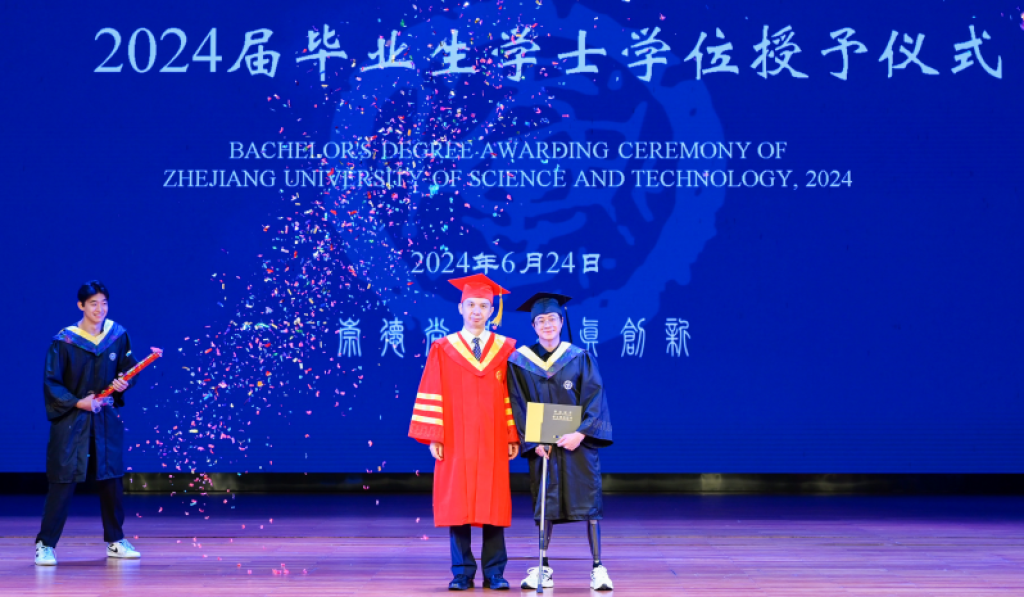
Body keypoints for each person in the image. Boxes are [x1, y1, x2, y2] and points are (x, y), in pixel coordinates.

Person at [408, 274, 520, 590]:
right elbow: (432, 391)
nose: (476, 311)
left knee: (493, 503)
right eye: (471, 305)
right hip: (456, 438)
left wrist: (512, 434)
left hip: (493, 438)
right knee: (458, 503)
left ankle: (495, 572)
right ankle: (462, 571)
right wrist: (435, 435)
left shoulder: (506, 349)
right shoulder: (443, 348)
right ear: (460, 308)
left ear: (492, 310)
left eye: (483, 305)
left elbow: (511, 396)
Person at [506, 293, 614, 591]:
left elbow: (595, 398)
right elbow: (518, 403)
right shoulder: (519, 362)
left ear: (561, 321)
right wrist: (532, 442)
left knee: (589, 505)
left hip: (578, 444)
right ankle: (542, 567)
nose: (547, 325)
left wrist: (581, 433)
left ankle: (598, 567)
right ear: (533, 326)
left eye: (552, 319)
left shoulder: (579, 357)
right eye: (540, 320)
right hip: (543, 447)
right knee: (546, 504)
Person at [35, 281, 142, 566]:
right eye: (93, 303)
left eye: (104, 303)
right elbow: (52, 383)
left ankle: (116, 541)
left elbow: (128, 371)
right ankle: (45, 544)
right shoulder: (64, 341)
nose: (100, 309)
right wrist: (77, 402)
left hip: (105, 417)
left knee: (111, 479)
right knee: (64, 479)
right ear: (81, 305)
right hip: (73, 419)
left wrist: (124, 383)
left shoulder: (117, 335)